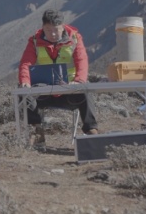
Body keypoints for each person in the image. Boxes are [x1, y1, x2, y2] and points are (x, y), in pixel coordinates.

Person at [17, 10, 96, 146]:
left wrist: (79, 81)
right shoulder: (34, 41)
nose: (53, 34)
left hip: (69, 91)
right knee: (23, 92)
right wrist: (25, 81)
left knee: (85, 90)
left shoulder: (75, 39)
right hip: (43, 93)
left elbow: (82, 61)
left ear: (63, 27)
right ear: (43, 27)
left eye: (56, 30)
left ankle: (91, 131)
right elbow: (26, 63)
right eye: (48, 30)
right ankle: (37, 130)